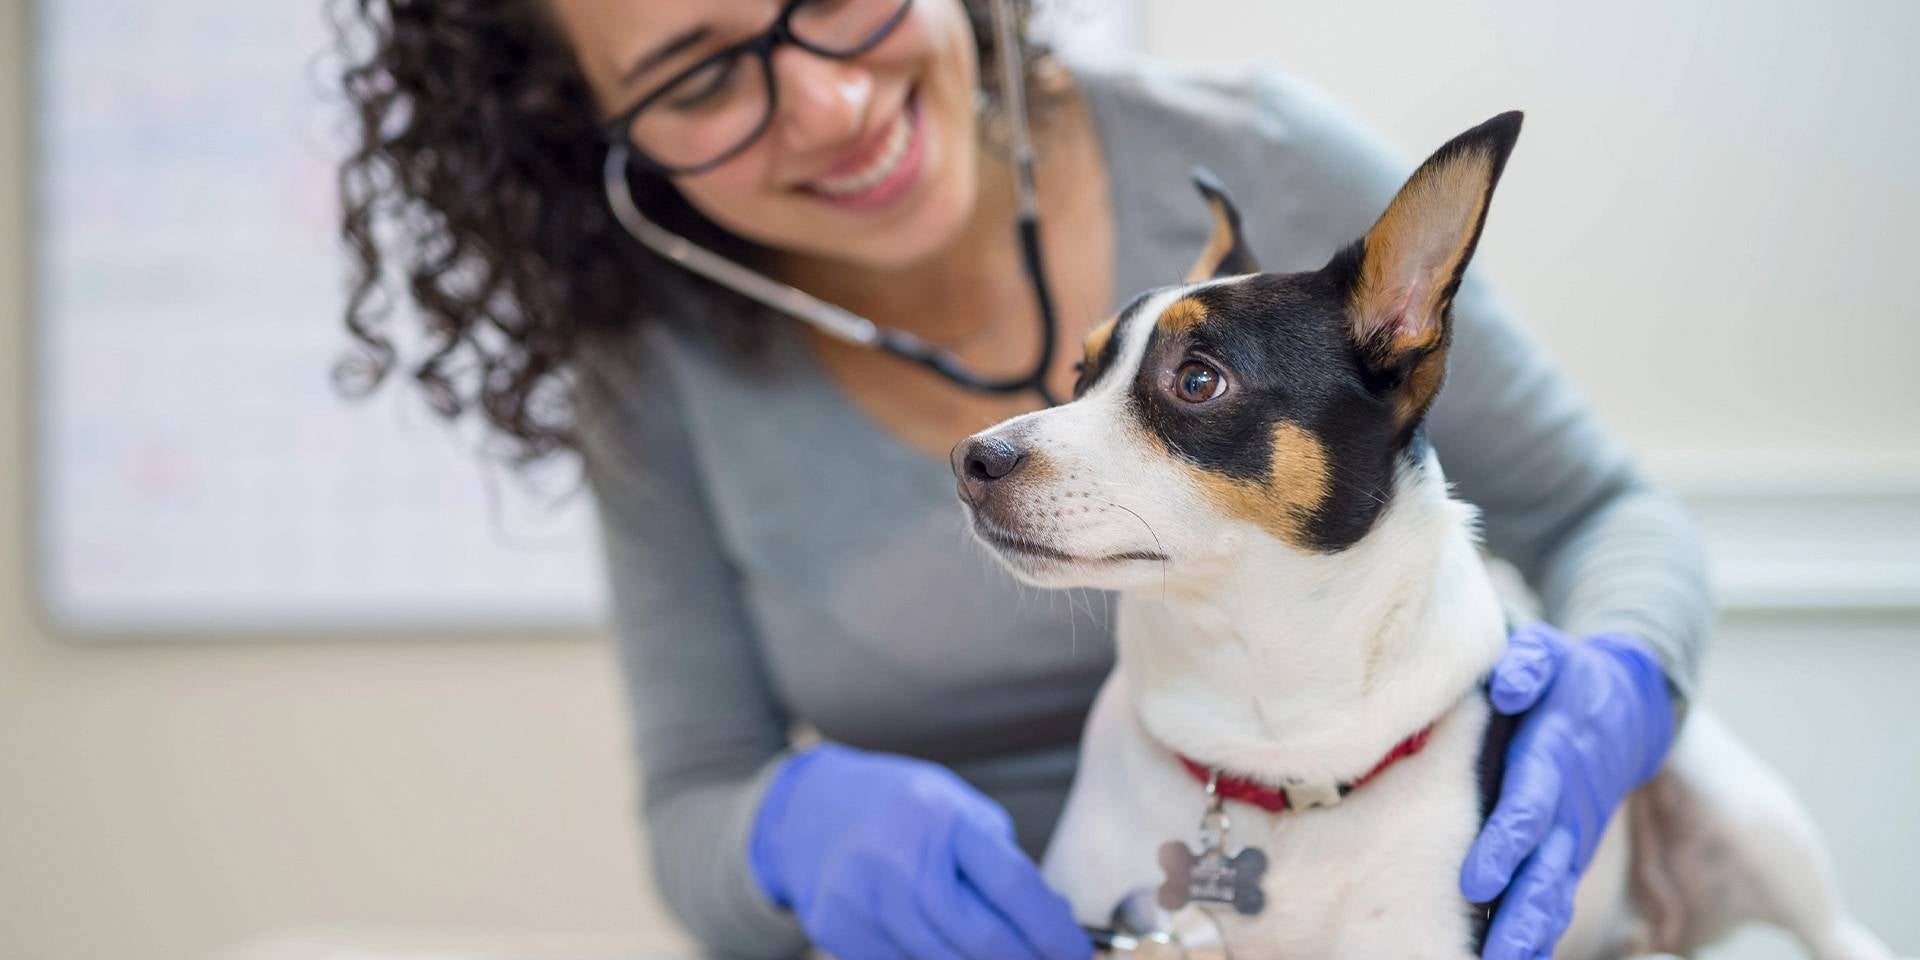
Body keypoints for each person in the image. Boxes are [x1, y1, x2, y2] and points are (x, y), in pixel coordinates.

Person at [334, 2, 1711, 958]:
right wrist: (783, 837)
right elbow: (698, 781)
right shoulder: (656, 364)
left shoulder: (1278, 169)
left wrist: (1628, 685)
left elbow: (1602, 512)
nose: (825, 99)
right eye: (700, 76)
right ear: (593, 134)